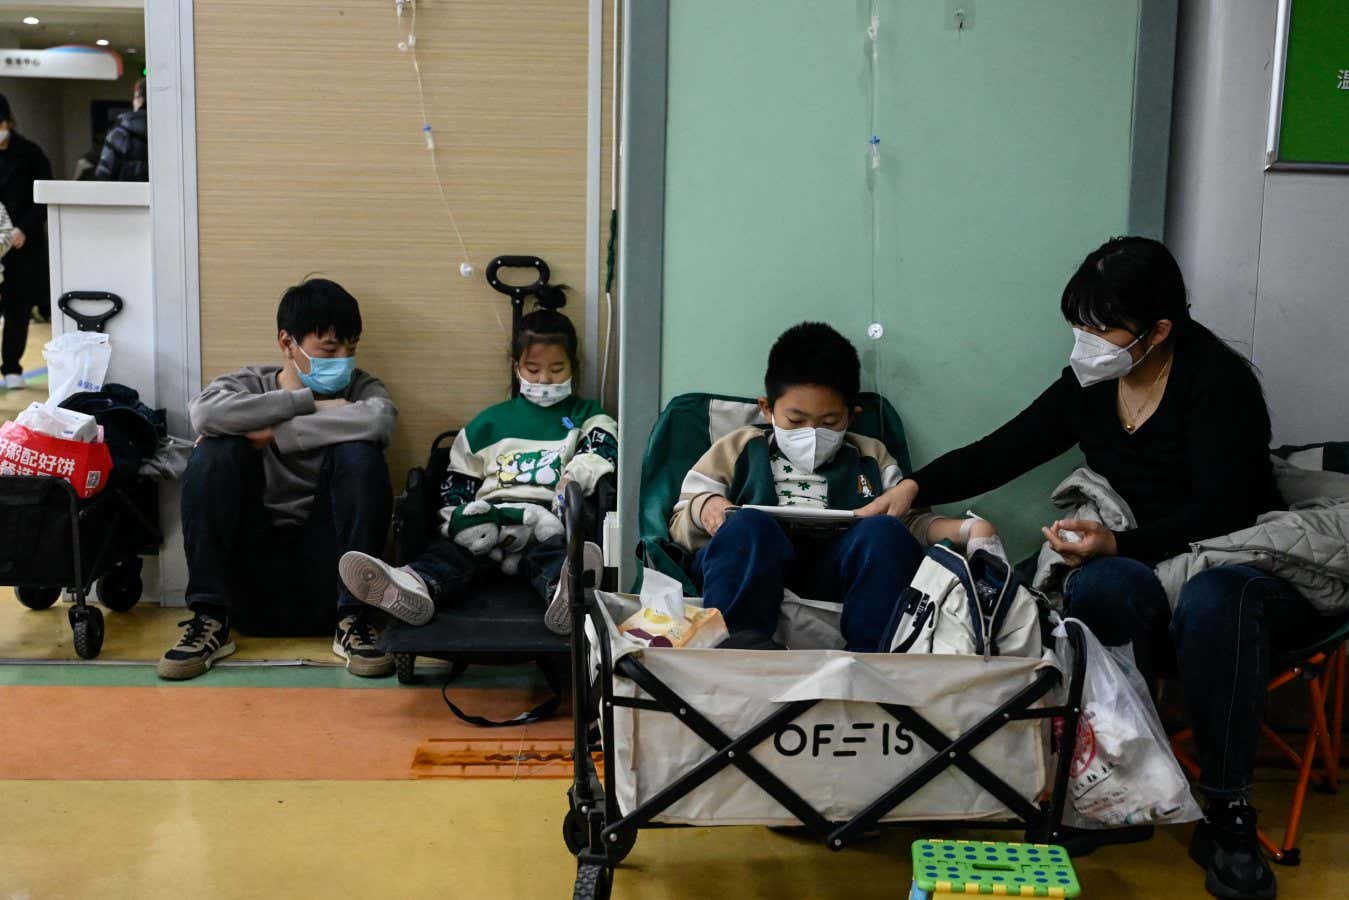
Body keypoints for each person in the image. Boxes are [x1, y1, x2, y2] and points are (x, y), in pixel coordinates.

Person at [884, 236, 1331, 900]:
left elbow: (1225, 509)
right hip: (1140, 559)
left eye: (1101, 329)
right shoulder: (1092, 383)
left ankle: (1228, 813)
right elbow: (1005, 448)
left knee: (1212, 600)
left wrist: (1120, 544)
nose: (1085, 342)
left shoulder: (1218, 385)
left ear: (1157, 330)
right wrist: (912, 489)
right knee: (1096, 588)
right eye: (1079, 326)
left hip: (1238, 559)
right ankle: (1108, 787)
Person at [668, 322, 1002, 653]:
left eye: (829, 423)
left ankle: (874, 656)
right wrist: (707, 508)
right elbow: (681, 518)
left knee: (884, 533)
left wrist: (966, 528)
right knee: (747, 525)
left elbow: (907, 522)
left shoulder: (871, 455)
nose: (812, 434)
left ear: (851, 416)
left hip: (837, 568)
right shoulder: (739, 447)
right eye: (795, 421)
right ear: (767, 408)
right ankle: (738, 647)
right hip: (753, 562)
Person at [159, 278, 397, 680]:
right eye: (330, 349)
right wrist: (302, 402)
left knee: (360, 454)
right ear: (288, 344)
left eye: (350, 349)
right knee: (215, 452)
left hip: (330, 569)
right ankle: (210, 618)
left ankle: (354, 620)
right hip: (251, 566)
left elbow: (378, 419)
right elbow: (204, 416)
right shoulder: (246, 384)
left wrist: (276, 432)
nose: (343, 360)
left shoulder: (362, 388)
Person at [338, 305, 617, 636]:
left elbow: (603, 449)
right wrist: (462, 520)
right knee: (451, 555)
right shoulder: (487, 424)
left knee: (553, 554)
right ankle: (414, 584)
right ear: (516, 368)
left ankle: (566, 591)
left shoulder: (586, 414)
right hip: (490, 520)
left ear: (573, 367)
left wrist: (572, 477)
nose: (544, 379)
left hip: (548, 519)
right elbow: (456, 486)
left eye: (557, 369)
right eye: (533, 369)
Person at [0, 93, 52, 389]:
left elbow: (44, 200)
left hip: (22, 246)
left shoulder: (30, 153)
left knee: (17, 309)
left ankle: (11, 367)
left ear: (7, 122)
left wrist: (23, 229)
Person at [94, 79, 148, 182]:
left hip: (128, 195)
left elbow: (104, 173)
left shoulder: (121, 130)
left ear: (139, 98)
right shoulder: (171, 128)